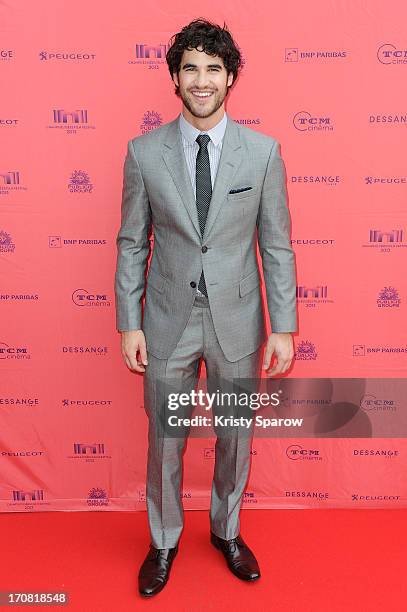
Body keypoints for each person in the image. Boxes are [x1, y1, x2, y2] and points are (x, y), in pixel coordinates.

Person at [114, 17, 298, 597]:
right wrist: (129, 322)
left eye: (213, 69)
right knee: (165, 438)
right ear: (174, 76)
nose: (201, 80)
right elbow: (130, 242)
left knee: (235, 435)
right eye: (190, 68)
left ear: (230, 77)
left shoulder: (263, 154)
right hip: (167, 320)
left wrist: (284, 327)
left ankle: (226, 530)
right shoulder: (143, 153)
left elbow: (275, 245)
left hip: (238, 322)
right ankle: (164, 540)